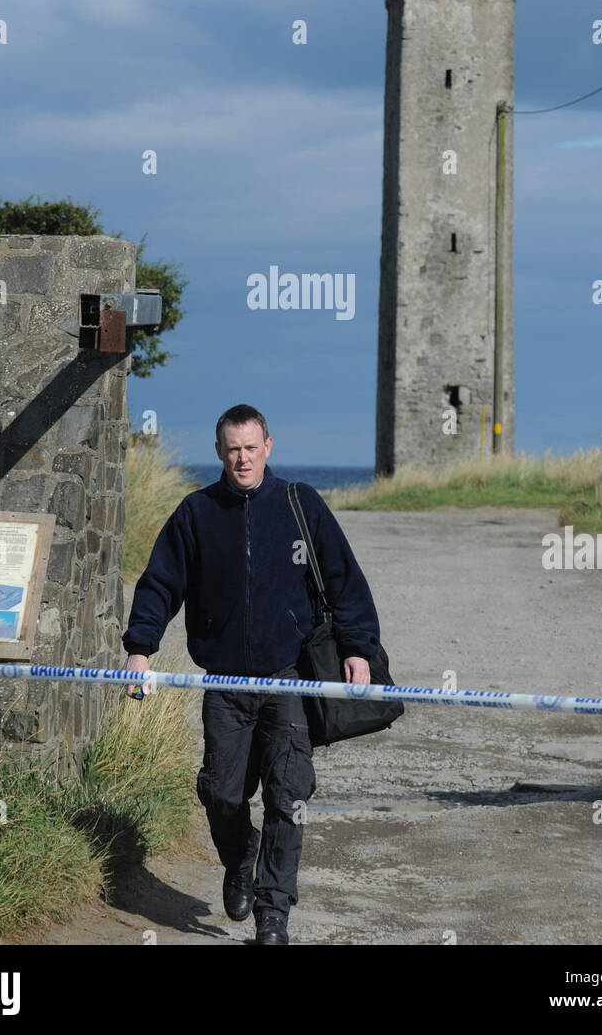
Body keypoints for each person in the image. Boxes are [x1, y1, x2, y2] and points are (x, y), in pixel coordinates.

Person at [122, 403, 382, 946]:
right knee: (221, 794)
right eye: (232, 449)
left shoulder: (300, 505)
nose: (242, 458)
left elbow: (344, 581)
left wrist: (359, 649)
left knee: (290, 796)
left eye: (251, 447)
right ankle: (240, 858)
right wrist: (140, 649)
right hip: (226, 684)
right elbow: (160, 584)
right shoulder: (196, 513)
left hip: (290, 680)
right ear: (219, 452)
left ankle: (273, 914)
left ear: (269, 446)